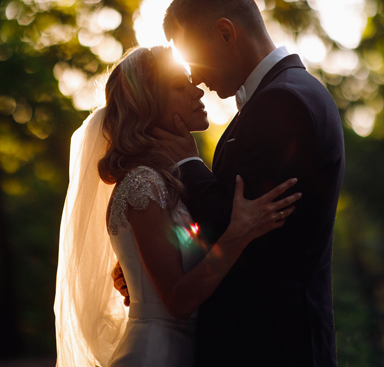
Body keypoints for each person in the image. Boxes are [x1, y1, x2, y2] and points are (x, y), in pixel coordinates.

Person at [54, 45, 301, 367]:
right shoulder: (142, 183)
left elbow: (186, 256)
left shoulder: (167, 181)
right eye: (179, 87)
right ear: (148, 106)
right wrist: (239, 233)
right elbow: (178, 300)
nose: (197, 91)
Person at [151, 0, 345, 366]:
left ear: (226, 33)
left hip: (270, 345)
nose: (198, 79)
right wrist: (151, 265)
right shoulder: (286, 94)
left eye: (194, 60)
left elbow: (237, 232)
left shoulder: (283, 104)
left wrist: (187, 160)